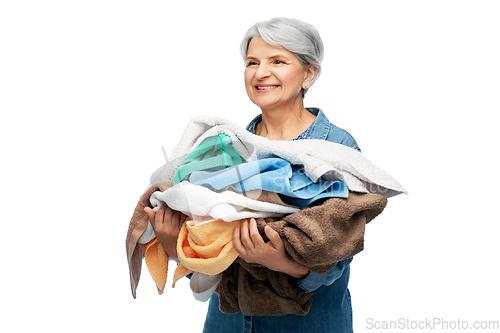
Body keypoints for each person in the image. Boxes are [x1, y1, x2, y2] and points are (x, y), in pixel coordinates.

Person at [146, 17, 361, 333]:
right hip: (228, 323)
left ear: (309, 73)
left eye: (278, 61)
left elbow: (338, 253)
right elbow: (214, 257)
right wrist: (173, 244)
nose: (261, 73)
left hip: (308, 325)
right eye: (252, 62)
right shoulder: (226, 145)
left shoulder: (337, 147)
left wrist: (281, 261)